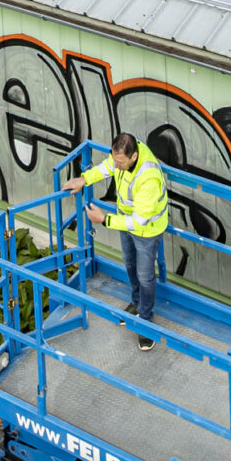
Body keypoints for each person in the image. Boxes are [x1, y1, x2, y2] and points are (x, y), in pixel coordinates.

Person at [65, 130, 170, 349]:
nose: (117, 166)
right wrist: (84, 179)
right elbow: (107, 167)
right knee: (130, 264)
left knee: (145, 275)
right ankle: (136, 303)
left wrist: (103, 220)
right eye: (115, 159)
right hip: (126, 221)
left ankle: (146, 321)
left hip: (147, 230)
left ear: (133, 156)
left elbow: (139, 221)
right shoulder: (123, 157)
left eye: (120, 162)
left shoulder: (147, 176)